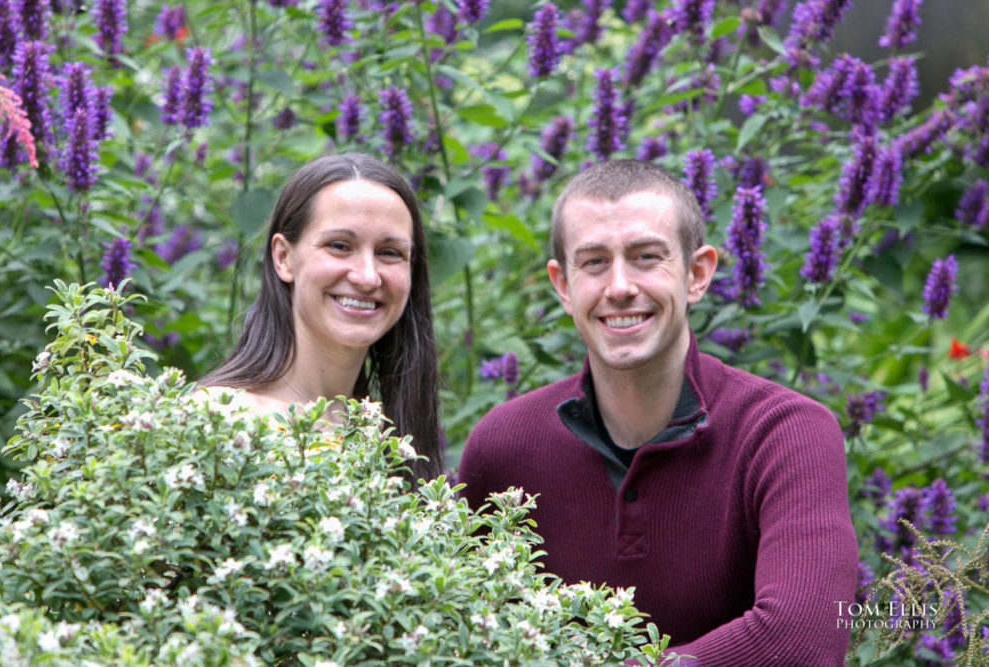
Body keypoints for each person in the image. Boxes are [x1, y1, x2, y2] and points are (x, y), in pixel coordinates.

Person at [459, 159, 857, 665]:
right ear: (562, 285)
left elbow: (803, 641)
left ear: (697, 274)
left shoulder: (786, 434)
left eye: (646, 257)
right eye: (594, 262)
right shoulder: (503, 449)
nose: (620, 286)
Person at [201, 152, 441, 480]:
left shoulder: (395, 441)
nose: (368, 276)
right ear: (283, 258)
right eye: (340, 245)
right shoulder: (214, 419)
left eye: (390, 253)